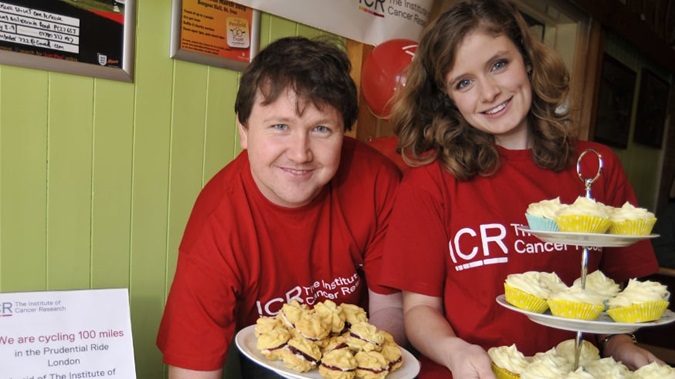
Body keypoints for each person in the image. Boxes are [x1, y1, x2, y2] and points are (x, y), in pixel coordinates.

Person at [380, 0, 662, 378]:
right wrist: (456, 352)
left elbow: (621, 296)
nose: (489, 92)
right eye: (464, 82)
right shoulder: (430, 183)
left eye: (499, 64)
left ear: (527, 61)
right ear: (447, 98)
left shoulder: (596, 167)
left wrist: (621, 343)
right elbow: (419, 310)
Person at [157, 36, 405, 378]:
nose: (300, 153)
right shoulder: (216, 226)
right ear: (244, 131)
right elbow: (192, 370)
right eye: (280, 127)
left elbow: (389, 306)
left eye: (321, 129)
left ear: (343, 133)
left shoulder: (376, 180)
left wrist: (363, 365)